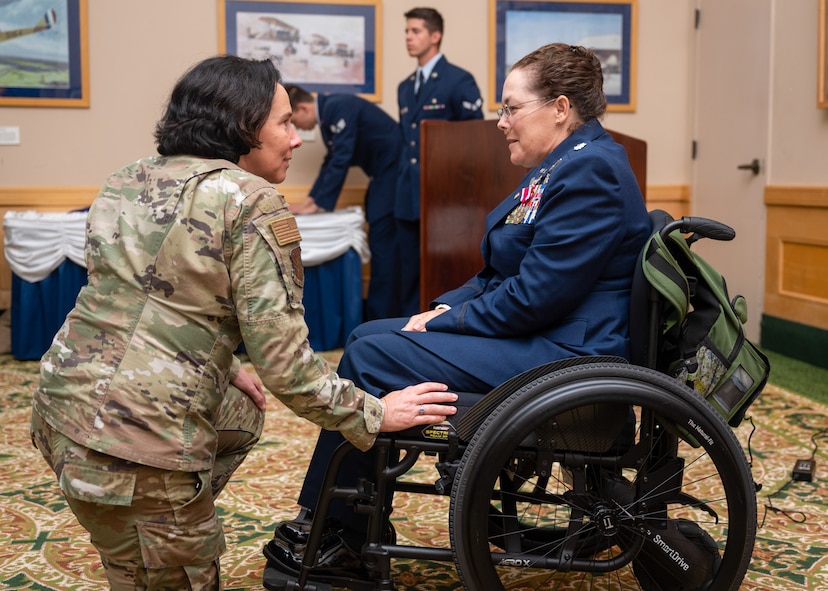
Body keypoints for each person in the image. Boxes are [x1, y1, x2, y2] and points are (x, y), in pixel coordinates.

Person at [29, 55, 457, 591]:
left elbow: (139, 298)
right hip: (137, 441)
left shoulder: (126, 179)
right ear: (242, 126)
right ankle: (161, 521)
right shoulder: (251, 201)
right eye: (283, 122)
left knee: (239, 415)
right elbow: (287, 368)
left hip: (57, 411)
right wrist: (373, 413)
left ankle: (144, 534)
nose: (297, 136)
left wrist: (224, 362)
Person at [263, 42, 652, 587]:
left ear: (560, 107)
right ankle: (337, 524)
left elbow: (536, 296)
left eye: (512, 108)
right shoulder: (565, 164)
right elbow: (503, 274)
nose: (501, 121)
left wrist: (443, 324)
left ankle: (337, 533)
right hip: (547, 335)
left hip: (567, 355)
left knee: (372, 352)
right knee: (371, 334)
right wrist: (445, 306)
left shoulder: (592, 172)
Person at [284, 84, 404, 321]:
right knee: (378, 230)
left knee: (383, 242)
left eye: (294, 121)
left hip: (396, 172)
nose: (296, 129)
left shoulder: (338, 106)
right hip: (384, 173)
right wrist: (311, 201)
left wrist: (316, 205)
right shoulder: (330, 112)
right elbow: (332, 160)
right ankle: (381, 314)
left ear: (303, 108)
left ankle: (382, 316)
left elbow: (342, 158)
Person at [396, 7, 484, 316]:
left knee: (443, 269)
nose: (408, 37)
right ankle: (404, 332)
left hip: (445, 196)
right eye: (407, 31)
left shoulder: (458, 80)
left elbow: (474, 140)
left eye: (415, 31)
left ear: (436, 36)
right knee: (408, 271)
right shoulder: (405, 87)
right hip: (409, 193)